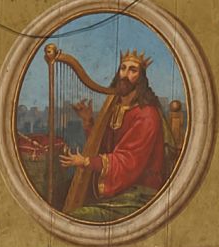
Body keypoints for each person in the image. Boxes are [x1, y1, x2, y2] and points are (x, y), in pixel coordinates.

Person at [43, 43, 171, 209]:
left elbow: (128, 161)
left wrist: (85, 161)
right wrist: (88, 121)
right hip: (115, 180)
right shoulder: (116, 107)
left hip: (138, 190)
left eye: (133, 70)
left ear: (141, 79)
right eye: (123, 68)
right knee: (58, 194)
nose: (125, 75)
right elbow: (103, 147)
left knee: (77, 213)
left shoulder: (147, 115)